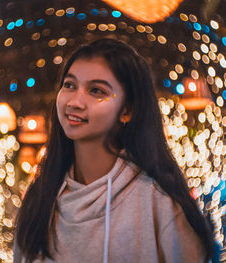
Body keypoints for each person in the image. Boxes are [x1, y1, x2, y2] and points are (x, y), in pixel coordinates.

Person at [14, 38, 214, 263]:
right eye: (69, 85)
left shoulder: (157, 203)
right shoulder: (41, 197)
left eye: (96, 91)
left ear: (127, 110)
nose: (75, 102)